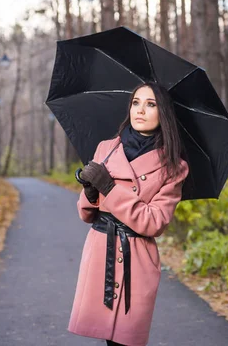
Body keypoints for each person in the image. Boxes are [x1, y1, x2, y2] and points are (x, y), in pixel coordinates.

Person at [68, 82, 189, 346]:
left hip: (137, 258)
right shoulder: (107, 148)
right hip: (101, 250)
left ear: (163, 113)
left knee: (126, 341)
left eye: (150, 104)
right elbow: (87, 214)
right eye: (136, 102)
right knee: (106, 339)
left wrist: (109, 188)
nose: (140, 110)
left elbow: (153, 221)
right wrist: (90, 192)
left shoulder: (174, 166)